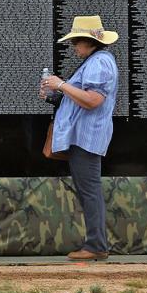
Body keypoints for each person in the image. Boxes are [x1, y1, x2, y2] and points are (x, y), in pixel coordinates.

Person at [40, 14, 119, 261]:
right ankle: (95, 244)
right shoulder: (95, 61)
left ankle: (96, 246)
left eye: (76, 42)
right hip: (82, 139)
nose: (74, 47)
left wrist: (61, 85)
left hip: (86, 139)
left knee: (90, 191)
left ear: (88, 40)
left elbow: (93, 100)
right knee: (88, 191)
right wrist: (55, 95)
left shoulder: (99, 63)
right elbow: (80, 98)